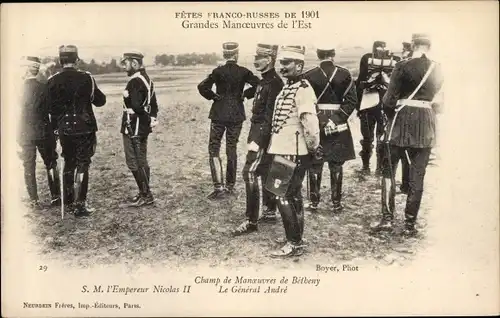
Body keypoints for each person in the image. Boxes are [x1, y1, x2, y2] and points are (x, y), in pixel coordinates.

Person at [371, 33, 444, 237]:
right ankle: (410, 225)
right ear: (429, 47)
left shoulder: (402, 66)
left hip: (401, 122)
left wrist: (392, 115)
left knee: (388, 170)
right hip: (426, 124)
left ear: (413, 45)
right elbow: (439, 101)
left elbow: (388, 101)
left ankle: (387, 219)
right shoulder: (438, 68)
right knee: (418, 175)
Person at [266, 45, 321, 257]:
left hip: (293, 150)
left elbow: (310, 124)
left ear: (299, 65)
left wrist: (313, 148)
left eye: (287, 63)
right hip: (285, 149)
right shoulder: (290, 87)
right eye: (281, 63)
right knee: (292, 196)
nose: (282, 67)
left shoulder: (303, 90)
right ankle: (295, 238)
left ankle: (294, 243)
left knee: (283, 196)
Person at [47, 45, 106, 217]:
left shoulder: (52, 80)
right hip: (84, 128)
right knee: (83, 163)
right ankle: (80, 206)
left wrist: (55, 129)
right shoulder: (87, 78)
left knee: (68, 162)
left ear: (60, 60)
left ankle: (70, 201)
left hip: (64, 129)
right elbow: (100, 101)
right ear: (77, 59)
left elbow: (51, 109)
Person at [232, 44, 284, 236]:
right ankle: (270, 211)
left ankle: (251, 220)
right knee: (265, 170)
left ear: (269, 60)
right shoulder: (266, 81)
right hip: (260, 132)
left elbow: (270, 118)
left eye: (259, 57)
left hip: (262, 135)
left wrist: (258, 141)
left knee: (250, 173)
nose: (255, 61)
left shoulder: (274, 83)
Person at [197, 42, 260, 200]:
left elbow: (202, 87)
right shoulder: (244, 72)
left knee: (214, 148)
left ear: (225, 55)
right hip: (236, 115)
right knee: (231, 149)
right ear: (236, 55)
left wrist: (213, 97)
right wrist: (245, 94)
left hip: (218, 113)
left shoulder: (217, 72)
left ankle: (218, 187)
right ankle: (230, 186)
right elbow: (259, 85)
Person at [303, 46, 358, 213]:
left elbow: (307, 102)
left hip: (317, 122)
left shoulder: (309, 75)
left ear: (318, 54)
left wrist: (321, 119)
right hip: (339, 123)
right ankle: (336, 203)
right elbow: (351, 101)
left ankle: (314, 203)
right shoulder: (345, 74)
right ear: (333, 55)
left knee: (315, 163)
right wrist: (334, 119)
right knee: (336, 163)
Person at [17, 56, 61, 209]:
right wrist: (54, 131)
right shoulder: (44, 88)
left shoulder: (17, 90)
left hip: (25, 133)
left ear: (27, 69)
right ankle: (55, 196)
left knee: (28, 166)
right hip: (44, 131)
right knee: (51, 163)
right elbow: (53, 111)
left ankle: (34, 200)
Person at [120, 51, 159, 207]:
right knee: (141, 160)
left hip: (133, 126)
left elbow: (136, 106)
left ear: (134, 64)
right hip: (142, 126)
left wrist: (147, 119)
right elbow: (154, 105)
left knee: (133, 161)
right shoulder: (147, 80)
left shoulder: (135, 81)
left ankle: (146, 194)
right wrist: (151, 119)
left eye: (126, 63)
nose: (124, 67)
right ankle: (144, 192)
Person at [355, 41, 400, 175]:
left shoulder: (366, 58)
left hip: (368, 103)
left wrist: (358, 107)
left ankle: (365, 167)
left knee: (367, 137)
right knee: (382, 135)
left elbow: (360, 81)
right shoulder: (395, 60)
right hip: (386, 104)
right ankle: (379, 168)